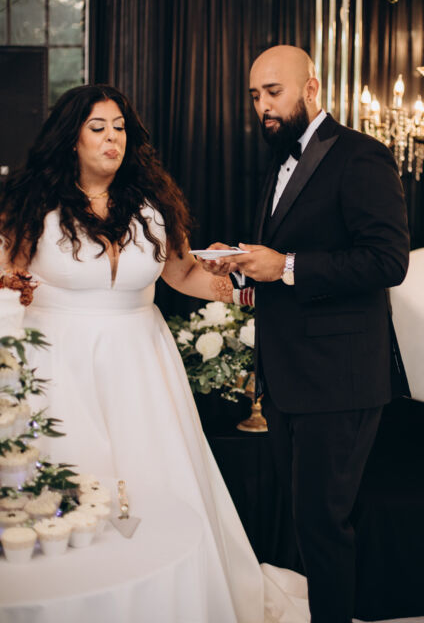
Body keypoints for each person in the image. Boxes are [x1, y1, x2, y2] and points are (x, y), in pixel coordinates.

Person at [0, 84, 309, 623]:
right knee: (72, 491)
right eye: (98, 128)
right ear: (71, 138)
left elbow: (183, 274)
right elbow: (8, 277)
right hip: (58, 367)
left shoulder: (151, 204)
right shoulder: (32, 206)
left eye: (120, 128)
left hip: (142, 365)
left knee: (159, 492)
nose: (112, 138)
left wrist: (245, 289)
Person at [202, 45, 410, 623]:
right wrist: (241, 264)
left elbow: (388, 261)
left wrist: (286, 265)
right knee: (310, 523)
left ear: (312, 89)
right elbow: (286, 259)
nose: (262, 106)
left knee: (324, 526)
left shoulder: (362, 155)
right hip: (290, 378)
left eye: (273, 92)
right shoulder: (278, 161)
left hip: (339, 379)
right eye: (255, 96)